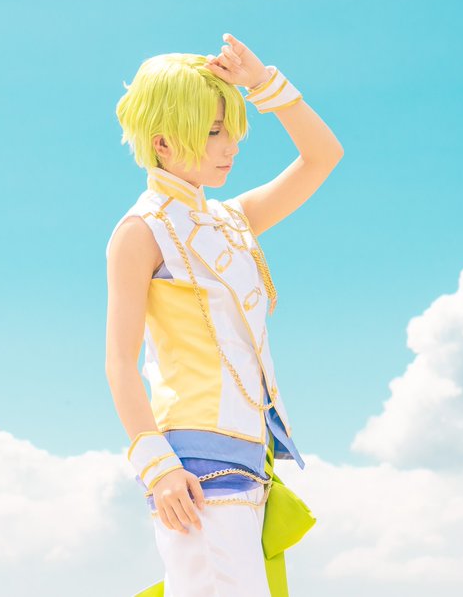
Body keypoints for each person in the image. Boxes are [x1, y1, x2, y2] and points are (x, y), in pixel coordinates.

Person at [105, 33, 343, 596]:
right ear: (163, 141)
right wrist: (158, 466)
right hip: (193, 469)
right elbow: (119, 363)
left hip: (252, 461)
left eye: (231, 128)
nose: (230, 145)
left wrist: (262, 83)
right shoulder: (141, 231)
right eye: (213, 131)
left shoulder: (233, 220)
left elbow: (323, 156)